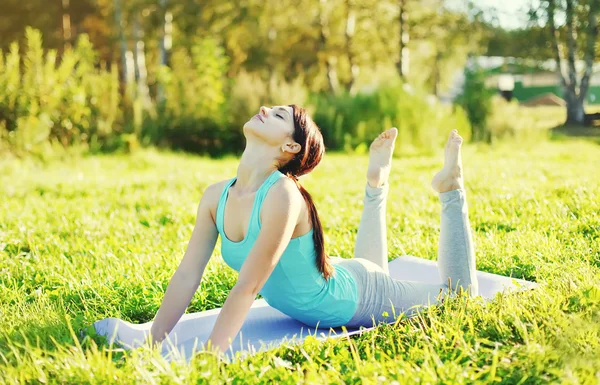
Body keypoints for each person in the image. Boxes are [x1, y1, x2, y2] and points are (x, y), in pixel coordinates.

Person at [147, 105, 479, 356]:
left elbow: (249, 285)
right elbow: (188, 275)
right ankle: (376, 183)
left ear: (290, 147)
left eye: (278, 116)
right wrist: (151, 344)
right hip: (341, 273)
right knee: (374, 268)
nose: (264, 109)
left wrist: (210, 359)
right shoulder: (215, 196)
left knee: (462, 298)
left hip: (356, 296)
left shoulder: (282, 195)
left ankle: (451, 188)